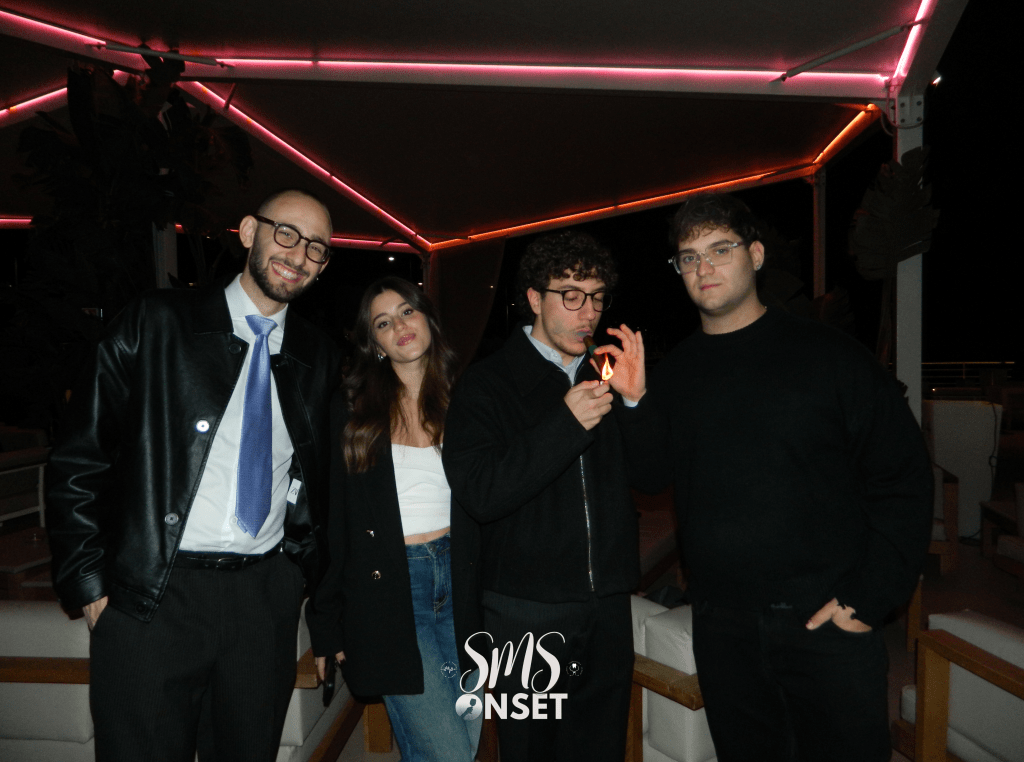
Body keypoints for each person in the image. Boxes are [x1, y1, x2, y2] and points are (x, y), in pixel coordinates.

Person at [621, 193, 933, 762]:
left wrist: (866, 600)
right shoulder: (678, 372)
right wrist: (637, 402)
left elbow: (903, 478)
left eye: (720, 249)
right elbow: (650, 474)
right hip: (723, 628)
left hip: (826, 622)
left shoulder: (831, 356)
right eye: (689, 257)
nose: (703, 267)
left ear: (757, 255)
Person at [46, 188, 341, 762]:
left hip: (262, 601)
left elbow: (318, 477)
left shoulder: (319, 354)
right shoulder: (156, 321)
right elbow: (80, 456)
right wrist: (89, 586)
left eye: (317, 247)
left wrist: (296, 578)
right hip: (154, 595)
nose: (298, 254)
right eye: (286, 233)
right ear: (249, 232)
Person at [442, 230, 648, 762]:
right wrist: (565, 424)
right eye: (571, 295)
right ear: (534, 298)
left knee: (601, 747)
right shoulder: (486, 384)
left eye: (597, 297)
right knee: (531, 750)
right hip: (523, 611)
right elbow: (480, 492)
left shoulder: (606, 374)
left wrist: (635, 402)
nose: (589, 312)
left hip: (607, 603)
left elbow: (651, 476)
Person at [306, 276, 482, 761]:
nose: (400, 326)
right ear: (375, 344)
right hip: (391, 590)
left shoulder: (469, 400)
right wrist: (328, 621)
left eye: (407, 311)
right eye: (383, 323)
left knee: (462, 743)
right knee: (448, 753)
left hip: (464, 585)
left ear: (427, 318)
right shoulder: (352, 412)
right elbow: (332, 522)